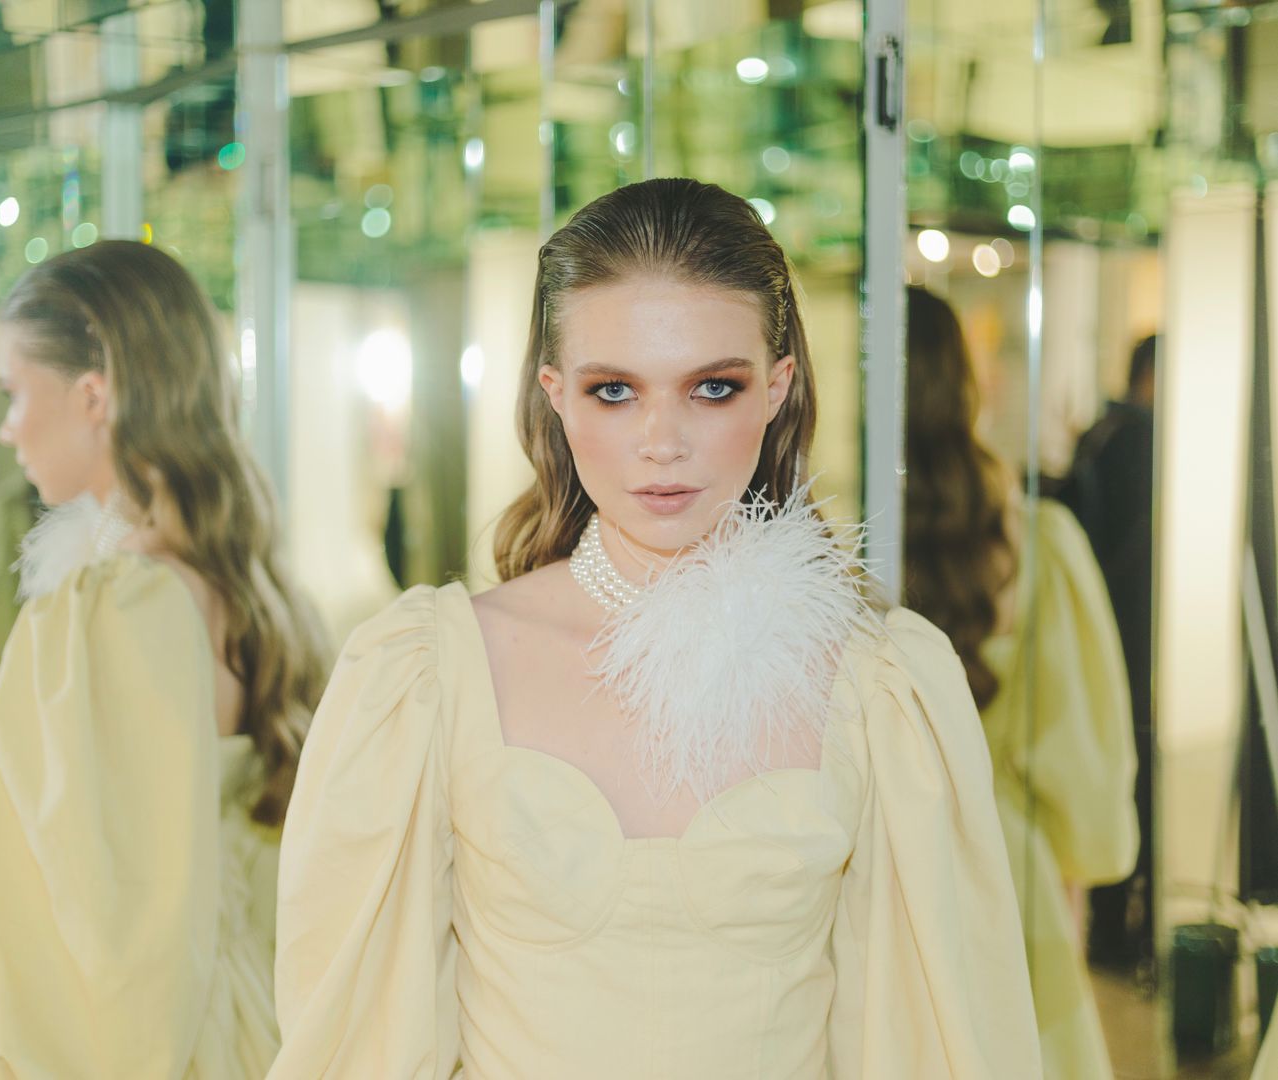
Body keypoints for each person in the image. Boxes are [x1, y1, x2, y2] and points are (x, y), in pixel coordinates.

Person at [269, 179, 1042, 1079]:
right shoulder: (428, 675)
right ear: (555, 395)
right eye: (614, 391)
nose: (662, 442)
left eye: (713, 388)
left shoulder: (878, 686)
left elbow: (921, 1041)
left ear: (776, 389)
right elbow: (365, 1042)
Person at [0, 241, 327, 1078]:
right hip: (262, 1019)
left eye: (15, 393)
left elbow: (104, 918)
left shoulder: (115, 606)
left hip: (163, 1042)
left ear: (93, 394)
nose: (8, 428)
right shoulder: (241, 584)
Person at [903, 286, 1139, 1080]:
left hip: (872, 872)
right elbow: (1076, 764)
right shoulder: (1035, 542)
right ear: (963, 384)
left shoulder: (818, 541)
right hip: (1006, 869)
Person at [1059, 334, 1156, 973]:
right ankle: (1120, 932)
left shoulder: (1101, 433)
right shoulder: (1140, 440)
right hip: (1129, 633)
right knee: (1131, 773)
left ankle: (1111, 925)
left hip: (1102, 627)